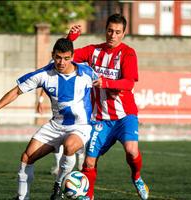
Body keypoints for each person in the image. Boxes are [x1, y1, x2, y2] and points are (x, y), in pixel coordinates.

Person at [0, 38, 97, 200]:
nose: (61, 62)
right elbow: (16, 91)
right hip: (56, 125)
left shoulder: (86, 72)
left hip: (80, 126)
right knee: (27, 157)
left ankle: (58, 184)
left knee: (70, 146)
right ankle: (22, 197)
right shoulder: (44, 75)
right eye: (58, 57)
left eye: (66, 58)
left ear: (72, 56)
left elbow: (103, 88)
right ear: (53, 55)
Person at [66, 14, 150, 200]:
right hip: (101, 119)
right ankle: (88, 196)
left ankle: (136, 177)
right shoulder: (93, 51)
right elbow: (67, 58)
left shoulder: (128, 53)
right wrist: (69, 39)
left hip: (124, 116)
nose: (113, 35)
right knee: (88, 162)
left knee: (131, 151)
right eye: (110, 31)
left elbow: (129, 83)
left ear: (124, 33)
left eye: (117, 32)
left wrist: (107, 83)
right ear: (105, 30)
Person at [37, 89, 85, 176]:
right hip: (60, 113)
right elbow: (44, 87)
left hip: (77, 113)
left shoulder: (81, 78)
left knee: (76, 139)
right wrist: (40, 101)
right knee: (57, 140)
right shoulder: (56, 77)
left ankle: (81, 161)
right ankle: (58, 166)